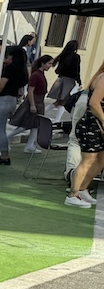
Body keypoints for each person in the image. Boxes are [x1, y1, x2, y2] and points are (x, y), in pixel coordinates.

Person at [66, 56, 104, 207]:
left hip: (96, 126)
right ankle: (73, 194)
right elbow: (94, 103)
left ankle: (82, 189)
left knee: (100, 161)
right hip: (91, 126)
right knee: (87, 161)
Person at [0, 45, 28, 164]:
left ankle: (4, 155)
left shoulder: (10, 69)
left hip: (3, 100)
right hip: (12, 99)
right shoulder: (22, 70)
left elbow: (1, 86)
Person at [23, 53, 54, 154]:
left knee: (35, 125)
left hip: (39, 101)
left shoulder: (40, 74)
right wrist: (32, 104)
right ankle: (6, 138)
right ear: (43, 63)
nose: (50, 66)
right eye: (49, 63)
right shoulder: (36, 75)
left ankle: (30, 145)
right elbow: (30, 90)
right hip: (35, 101)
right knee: (24, 125)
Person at [48, 40, 81, 108]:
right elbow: (76, 69)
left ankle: (45, 112)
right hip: (69, 81)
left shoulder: (63, 55)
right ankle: (57, 118)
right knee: (64, 101)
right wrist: (78, 80)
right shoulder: (75, 57)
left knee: (59, 101)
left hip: (61, 79)